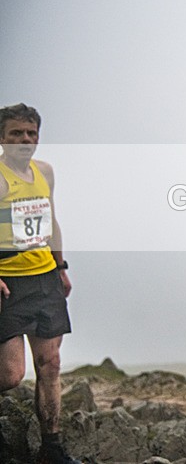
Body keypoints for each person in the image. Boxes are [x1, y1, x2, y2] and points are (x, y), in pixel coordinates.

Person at [0, 103, 80, 464]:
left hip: (45, 278)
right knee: (11, 375)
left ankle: (52, 448)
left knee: (50, 363)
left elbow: (52, 221)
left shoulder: (44, 172)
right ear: (2, 137)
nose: (25, 140)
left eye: (31, 133)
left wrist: (60, 266)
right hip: (9, 283)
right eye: (16, 133)